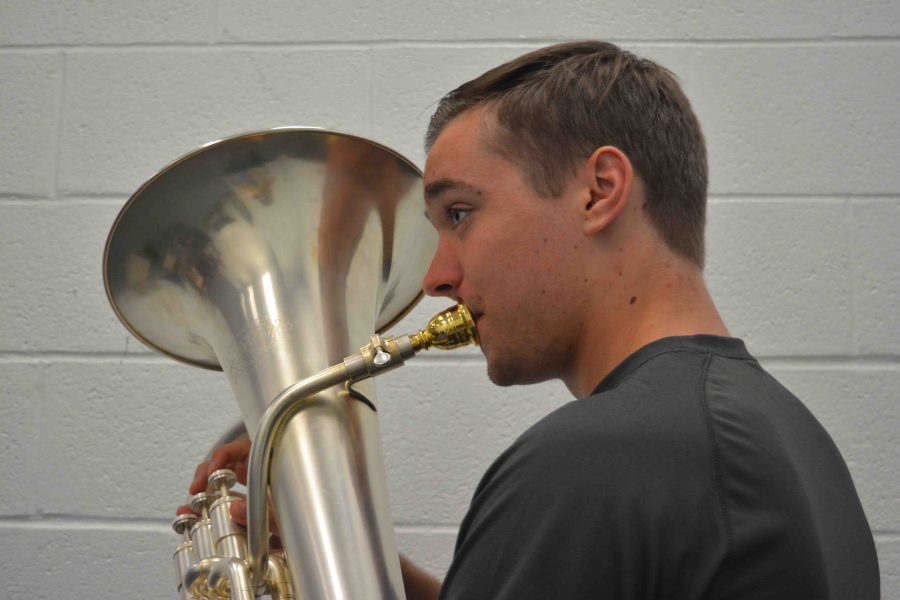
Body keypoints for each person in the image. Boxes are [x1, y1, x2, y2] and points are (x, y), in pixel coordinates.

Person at [188, 41, 880, 598]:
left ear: (598, 191)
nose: (435, 280)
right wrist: (323, 549)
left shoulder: (595, 459)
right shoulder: (793, 439)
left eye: (460, 214)